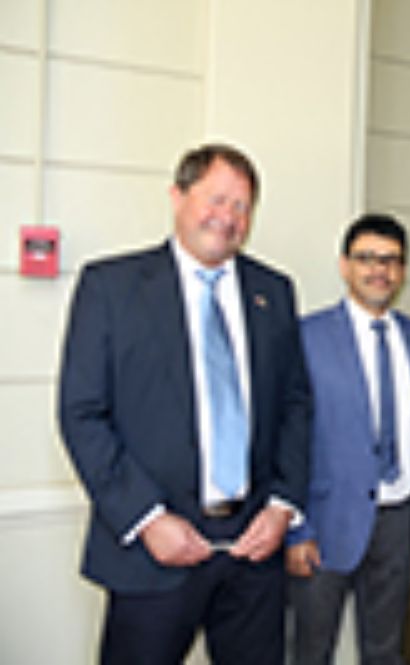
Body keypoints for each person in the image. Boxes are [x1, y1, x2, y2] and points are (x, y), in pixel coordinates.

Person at [57, 143, 313, 664]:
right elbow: (82, 412)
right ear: (177, 196)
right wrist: (149, 518)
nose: (229, 218)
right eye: (216, 199)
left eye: (242, 206)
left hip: (253, 554)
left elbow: (296, 406)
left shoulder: (274, 291)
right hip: (154, 554)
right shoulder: (112, 288)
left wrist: (282, 507)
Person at [286, 213, 410, 664]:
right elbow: (286, 439)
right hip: (325, 523)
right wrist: (296, 529)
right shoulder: (306, 336)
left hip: (397, 517)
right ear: (344, 265)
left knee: (385, 649)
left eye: (391, 260)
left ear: (403, 271)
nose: (379, 270)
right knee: (312, 650)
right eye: (367, 258)